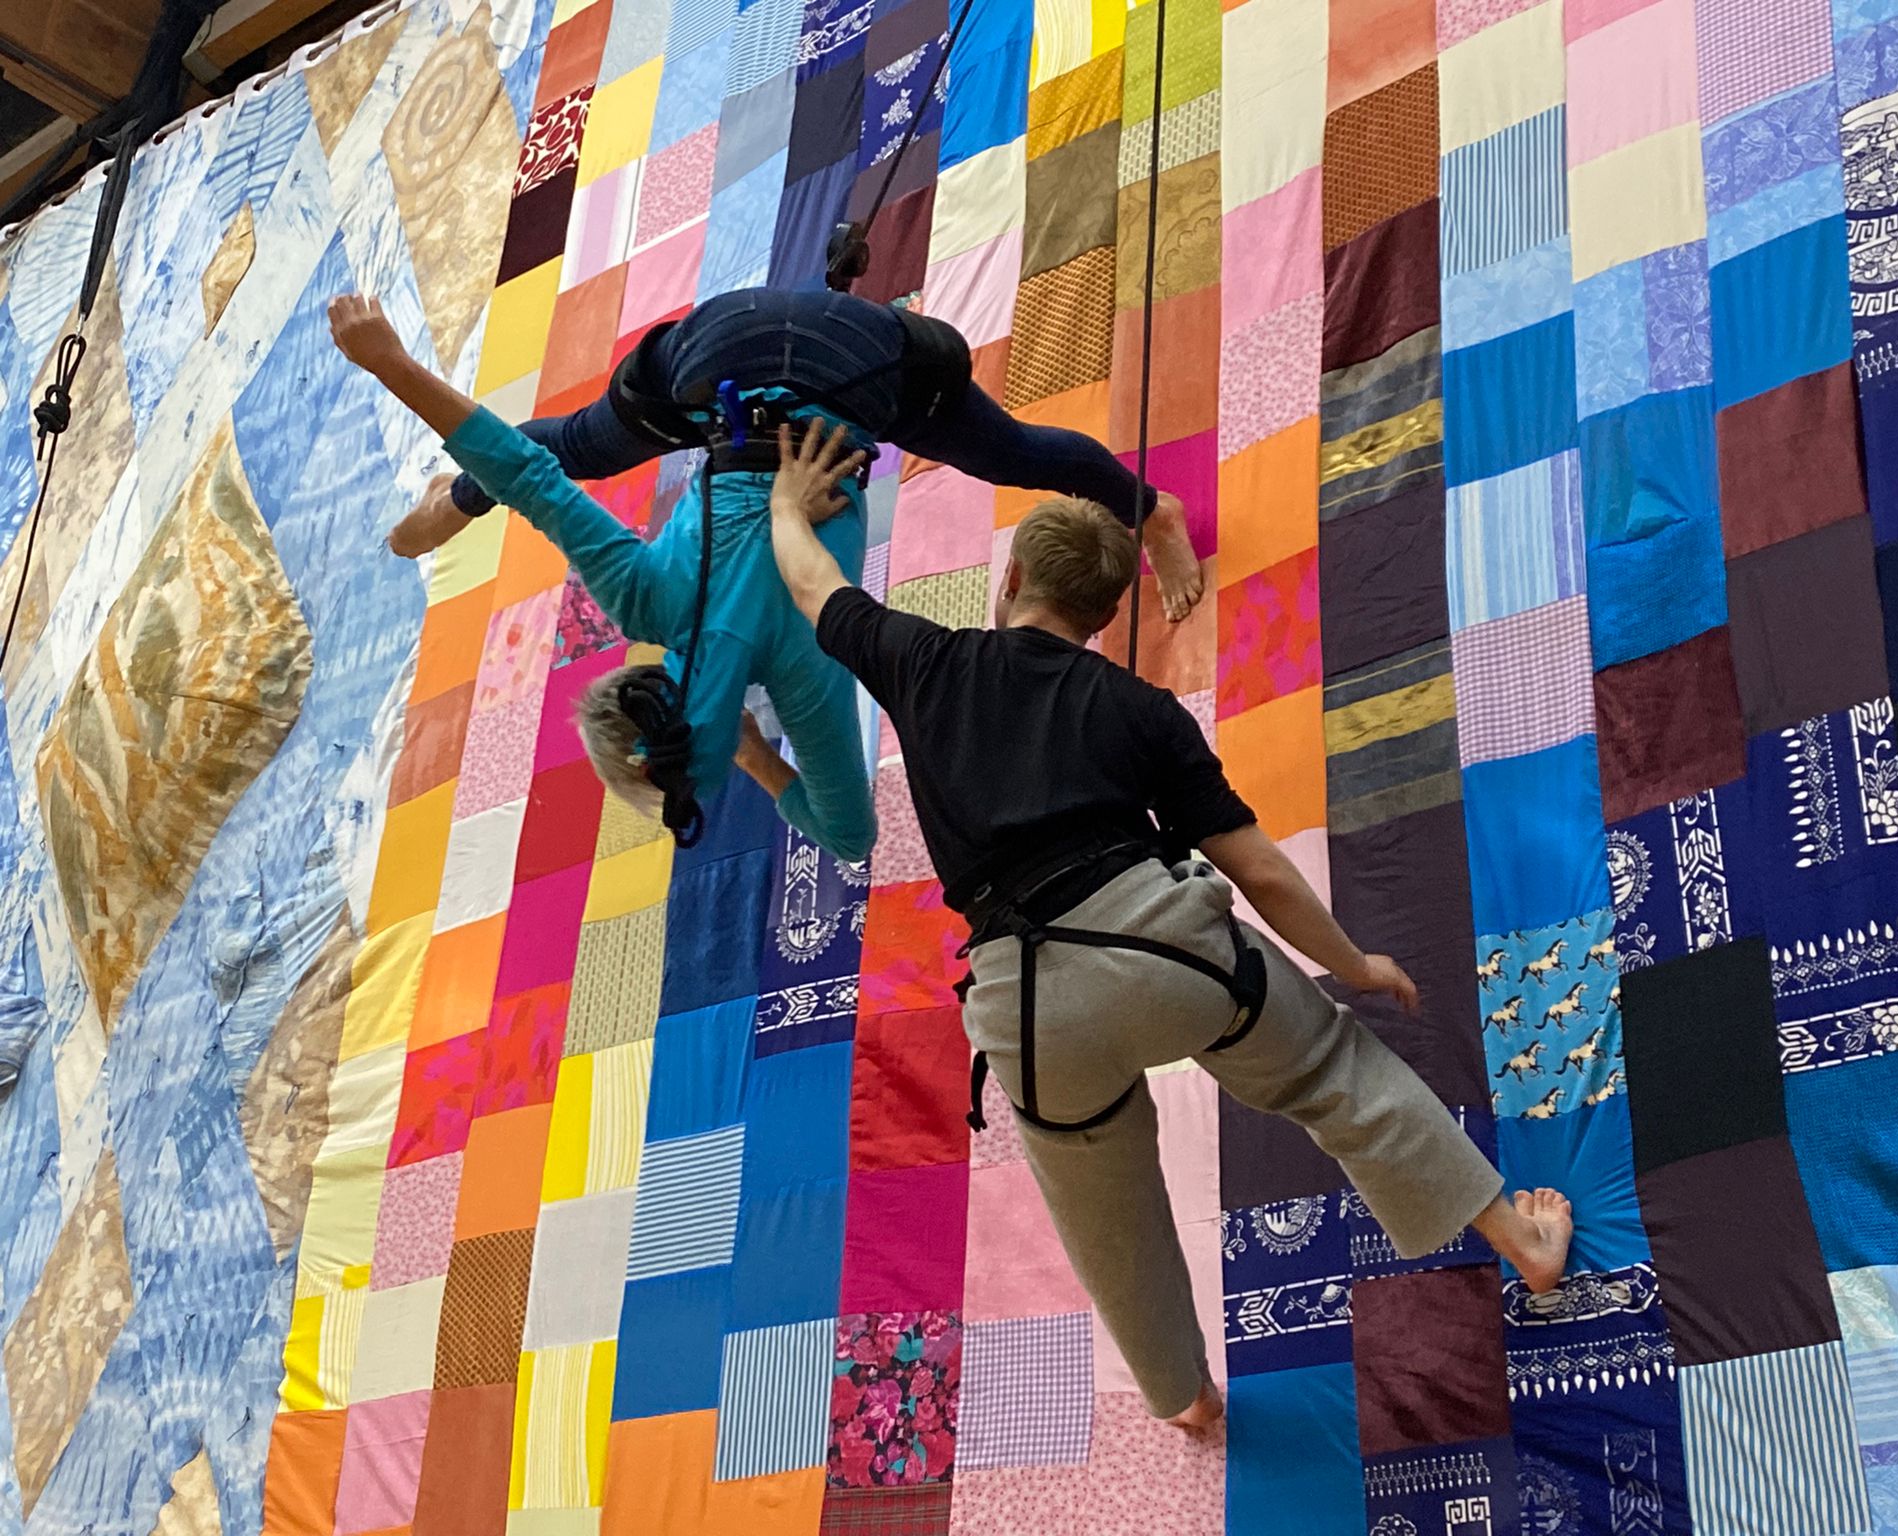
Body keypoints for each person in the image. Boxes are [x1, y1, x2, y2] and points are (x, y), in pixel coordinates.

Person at [760, 421, 1576, 1429]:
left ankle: (1183, 1396)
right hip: (1163, 952)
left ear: (1009, 577)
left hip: (1025, 1003)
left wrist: (789, 506)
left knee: (1106, 1215)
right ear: (1106, 613)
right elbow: (1260, 874)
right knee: (1335, 1076)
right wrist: (1350, 964)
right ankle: (1519, 1241)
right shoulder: (1143, 711)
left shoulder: (924, 660)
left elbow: (811, 588)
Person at [327, 293, 876, 862]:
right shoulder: (645, 603)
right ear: (637, 679)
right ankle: (450, 504)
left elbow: (851, 837)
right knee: (571, 447)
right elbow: (526, 474)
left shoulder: (811, 672)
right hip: (717, 352)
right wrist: (390, 362)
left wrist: (753, 753)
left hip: (863, 378)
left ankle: (447, 505)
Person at [383, 285, 1208, 623]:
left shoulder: (794, 519)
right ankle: (456, 493)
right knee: (576, 451)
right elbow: (543, 462)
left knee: (1008, 454)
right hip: (727, 355)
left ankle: (1151, 513)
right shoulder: (746, 509)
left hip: (854, 363)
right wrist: (459, 502)